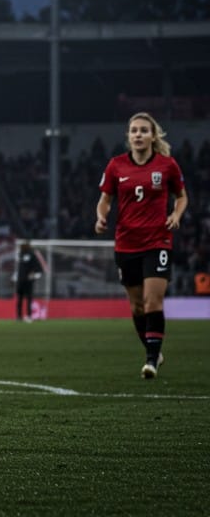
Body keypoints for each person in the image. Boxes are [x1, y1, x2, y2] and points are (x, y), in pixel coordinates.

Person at [95, 112, 188, 378]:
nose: (138, 134)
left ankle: (150, 360)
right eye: (134, 130)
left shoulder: (167, 166)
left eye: (144, 130)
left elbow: (181, 197)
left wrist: (176, 214)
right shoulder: (116, 166)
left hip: (157, 241)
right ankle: (153, 349)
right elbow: (105, 199)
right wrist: (101, 216)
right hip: (126, 243)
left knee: (152, 301)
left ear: (152, 136)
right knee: (136, 307)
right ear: (128, 136)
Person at [13, 240, 44, 322]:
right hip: (20, 281)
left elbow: (39, 268)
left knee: (29, 299)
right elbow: (18, 268)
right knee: (19, 299)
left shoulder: (32, 255)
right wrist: (15, 276)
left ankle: (29, 316)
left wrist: (34, 275)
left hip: (28, 281)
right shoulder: (19, 255)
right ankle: (19, 316)